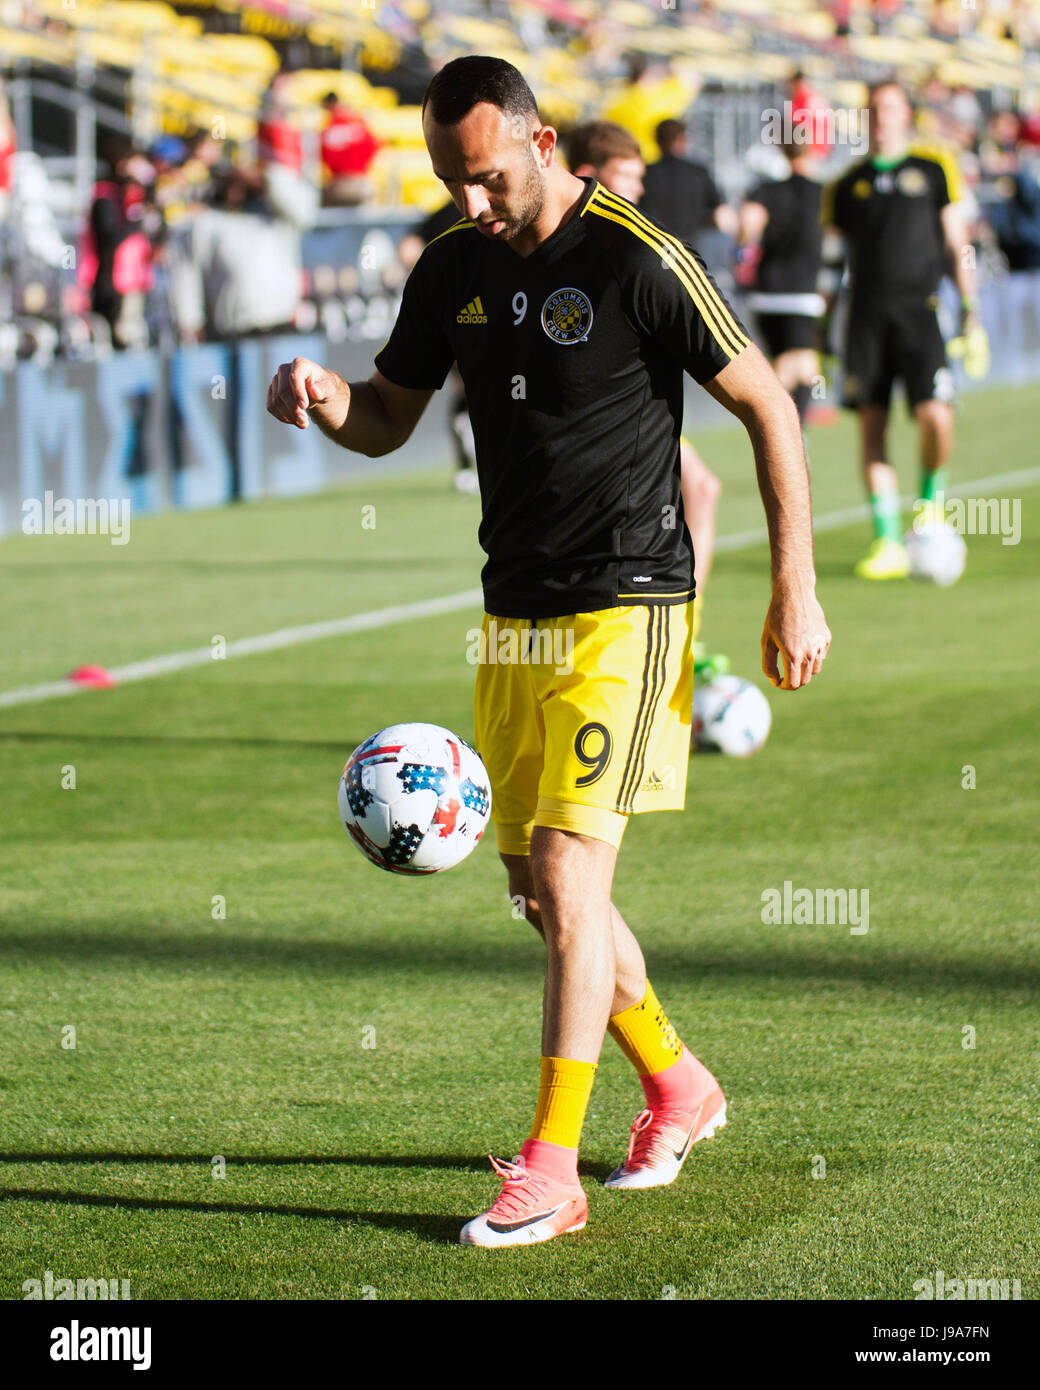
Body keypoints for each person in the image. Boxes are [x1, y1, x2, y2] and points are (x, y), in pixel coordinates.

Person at [267, 56, 830, 1249]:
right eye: (445, 180)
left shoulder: (635, 254)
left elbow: (767, 406)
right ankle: (678, 1084)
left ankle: (548, 1169)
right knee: (537, 895)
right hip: (511, 613)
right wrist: (324, 400)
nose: (465, 201)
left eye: (479, 177)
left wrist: (794, 590)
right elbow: (386, 417)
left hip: (626, 607)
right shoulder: (452, 265)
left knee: (574, 881)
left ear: (541, 140)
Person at [567, 118, 729, 677]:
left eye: (640, 178)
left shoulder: (635, 243)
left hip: (633, 415)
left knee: (701, 488)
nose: (638, 190)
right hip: (593, 426)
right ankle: (669, 634)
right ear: (589, 175)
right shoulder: (593, 249)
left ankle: (685, 628)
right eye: (626, 178)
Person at [822, 79, 977, 579]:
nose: (881, 116)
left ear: (905, 114)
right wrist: (823, 326)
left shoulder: (932, 170)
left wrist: (970, 306)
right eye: (873, 108)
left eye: (889, 107)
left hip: (921, 311)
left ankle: (931, 504)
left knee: (936, 414)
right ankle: (887, 541)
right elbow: (831, 261)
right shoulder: (846, 185)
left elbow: (958, 243)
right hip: (865, 317)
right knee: (872, 425)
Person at [737, 141, 825, 423]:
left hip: (766, 292)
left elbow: (748, 222)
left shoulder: (766, 190)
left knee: (791, 361)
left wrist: (742, 253)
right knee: (800, 365)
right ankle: (783, 426)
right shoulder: (821, 192)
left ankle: (790, 427)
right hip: (802, 292)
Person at [640, 118, 737, 245]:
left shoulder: (644, 173)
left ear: (657, 141)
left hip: (652, 245)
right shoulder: (698, 173)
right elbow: (721, 212)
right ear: (682, 140)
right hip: (690, 248)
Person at [320, 92, 381, 207]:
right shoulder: (359, 122)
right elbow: (375, 146)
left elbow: (322, 155)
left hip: (339, 184)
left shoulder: (329, 127)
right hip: (363, 183)